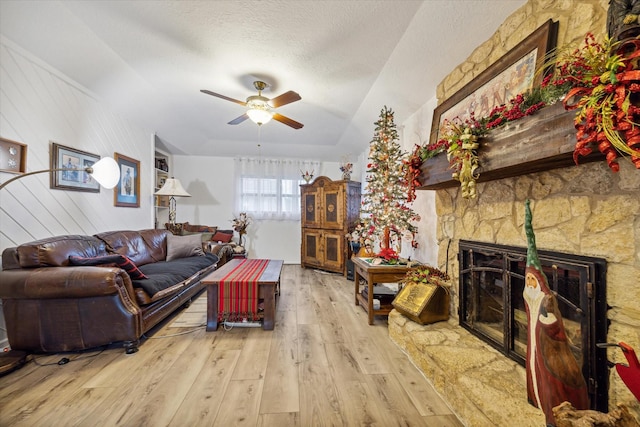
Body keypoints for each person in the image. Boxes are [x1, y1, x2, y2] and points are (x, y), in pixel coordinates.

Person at [522, 200, 589, 426]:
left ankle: (553, 406)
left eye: (533, 280)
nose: (530, 283)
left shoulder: (545, 300)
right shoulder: (532, 299)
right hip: (536, 345)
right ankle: (536, 396)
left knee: (549, 375)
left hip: (549, 351)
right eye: (528, 279)